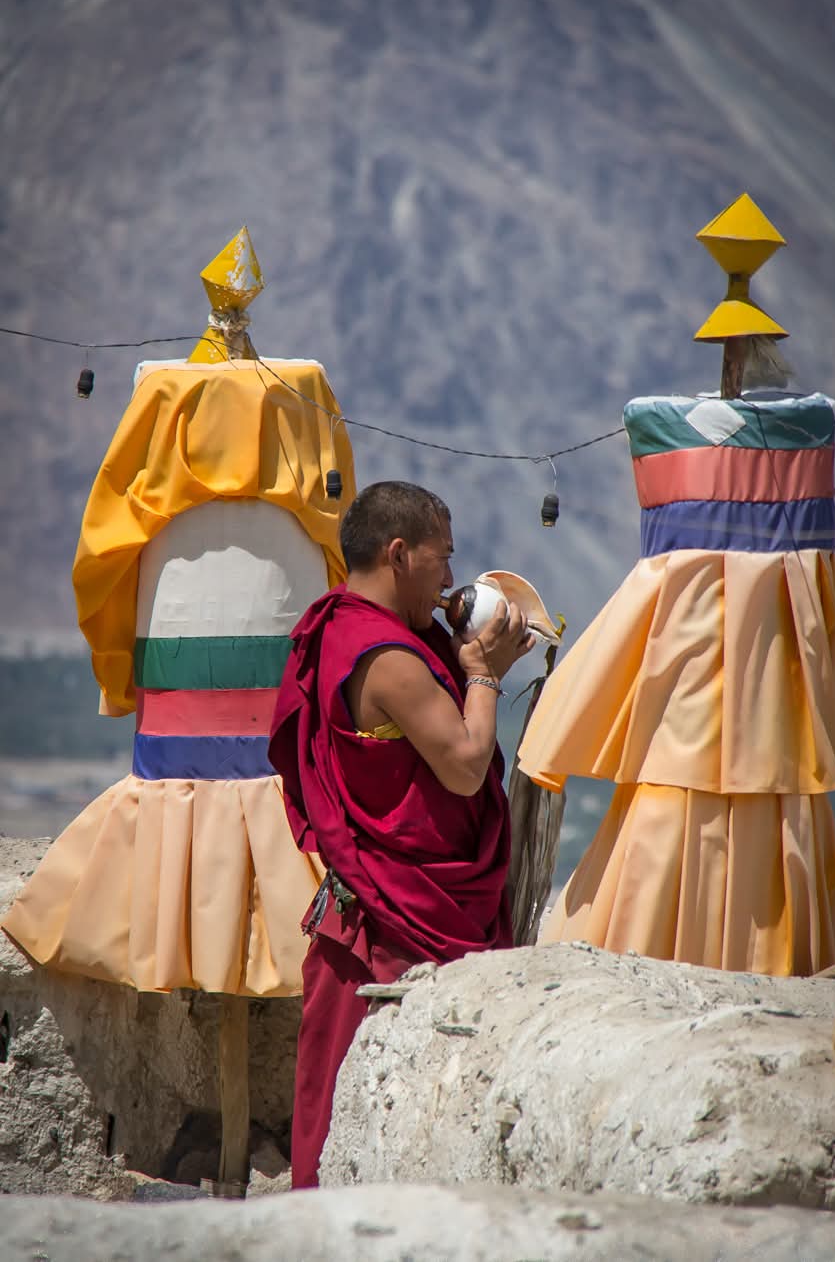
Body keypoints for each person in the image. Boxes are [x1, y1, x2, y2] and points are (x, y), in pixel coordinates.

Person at [268, 480, 534, 1188]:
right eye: (441, 559)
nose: (451, 578)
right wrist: (481, 677)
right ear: (397, 553)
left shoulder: (337, 628)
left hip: (377, 904)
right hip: (401, 923)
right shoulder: (387, 657)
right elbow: (464, 768)